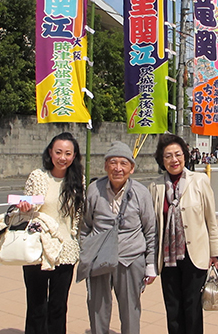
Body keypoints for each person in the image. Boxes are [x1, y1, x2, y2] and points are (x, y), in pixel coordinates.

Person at [80, 141, 157, 334]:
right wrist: (85, 255)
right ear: (106, 166)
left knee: (131, 310)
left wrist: (150, 264)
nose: (118, 168)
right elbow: (85, 225)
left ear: (132, 168)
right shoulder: (94, 190)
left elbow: (150, 230)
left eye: (124, 163)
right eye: (113, 162)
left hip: (130, 258)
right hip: (98, 258)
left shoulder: (141, 193)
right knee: (97, 308)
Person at [149, 133, 218, 334]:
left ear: (185, 156)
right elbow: (153, 226)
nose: (174, 160)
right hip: (168, 258)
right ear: (162, 160)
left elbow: (211, 220)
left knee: (192, 308)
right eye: (168, 156)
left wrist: (215, 253)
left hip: (194, 255)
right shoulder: (155, 186)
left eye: (178, 154)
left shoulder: (199, 181)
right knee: (173, 309)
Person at [17, 132, 85, 334]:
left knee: (58, 306)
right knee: (36, 305)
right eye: (58, 152)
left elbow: (78, 216)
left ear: (74, 156)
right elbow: (27, 212)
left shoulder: (78, 180)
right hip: (37, 249)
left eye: (68, 153)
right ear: (50, 152)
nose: (62, 157)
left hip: (65, 251)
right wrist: (24, 208)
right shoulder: (38, 176)